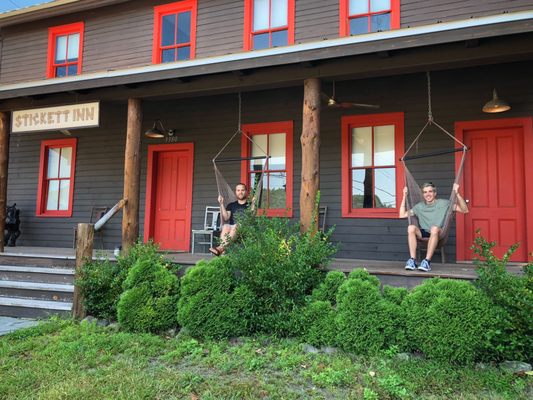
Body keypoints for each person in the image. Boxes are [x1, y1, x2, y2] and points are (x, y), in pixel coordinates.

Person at [399, 182, 468, 272]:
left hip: (438, 233)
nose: (428, 194)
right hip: (424, 232)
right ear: (423, 194)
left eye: (430, 191)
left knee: (434, 228)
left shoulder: (444, 203)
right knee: (410, 228)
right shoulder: (419, 207)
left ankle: (427, 262)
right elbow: (402, 215)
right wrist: (404, 196)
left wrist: (457, 194)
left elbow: (464, 210)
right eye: (425, 192)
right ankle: (412, 260)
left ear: (435, 193)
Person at [209, 183, 252, 256]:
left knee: (236, 226)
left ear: (246, 191)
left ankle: (221, 248)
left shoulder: (250, 204)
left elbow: (252, 215)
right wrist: (221, 204)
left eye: (242, 190)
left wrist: (254, 203)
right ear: (236, 192)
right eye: (238, 190)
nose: (240, 192)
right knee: (225, 226)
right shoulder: (231, 205)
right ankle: (222, 250)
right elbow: (226, 218)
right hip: (232, 229)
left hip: (244, 228)